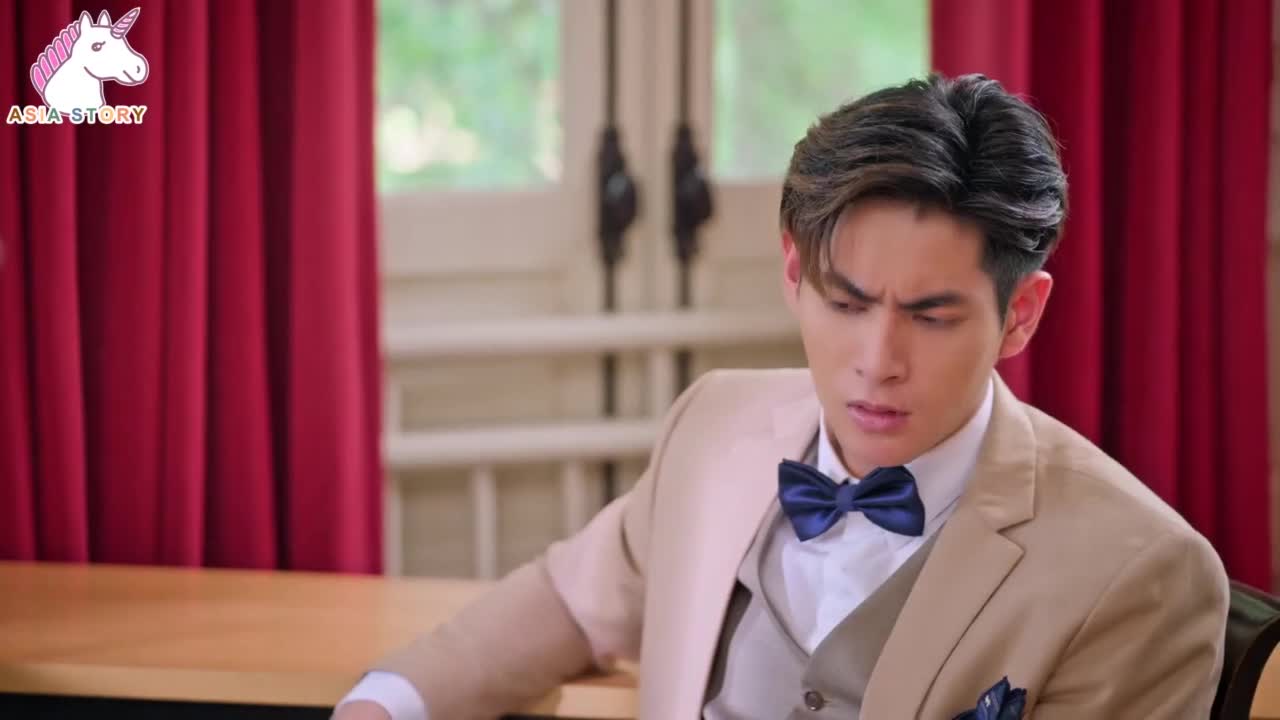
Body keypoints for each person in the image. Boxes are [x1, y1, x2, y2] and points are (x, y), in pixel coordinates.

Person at [334, 74, 1229, 720]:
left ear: (1020, 315)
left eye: (930, 316)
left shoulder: (1142, 574)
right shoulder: (715, 423)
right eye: (846, 303)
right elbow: (573, 600)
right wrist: (386, 700)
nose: (877, 362)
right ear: (794, 273)